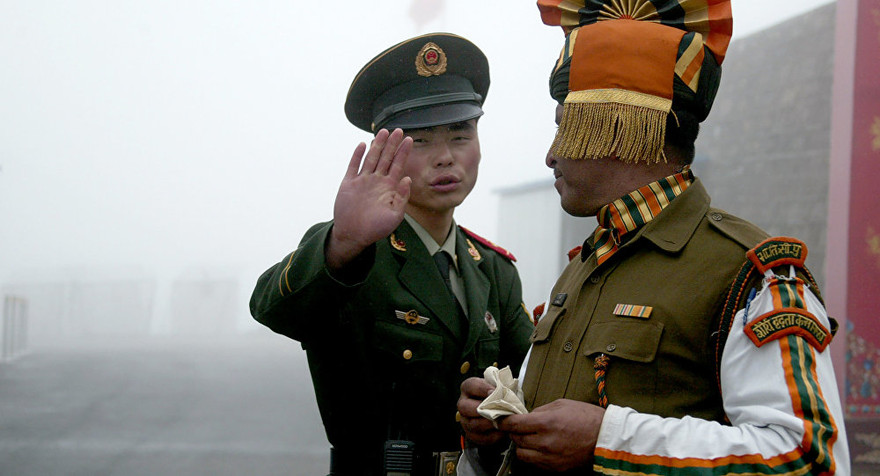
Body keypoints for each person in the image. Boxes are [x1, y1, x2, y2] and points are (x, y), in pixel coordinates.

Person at [457, 1, 850, 474]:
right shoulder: (583, 266)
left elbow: (809, 458)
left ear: (617, 123)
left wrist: (610, 438)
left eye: (563, 126)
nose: (549, 155)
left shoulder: (749, 272)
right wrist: (498, 429)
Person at [249, 32, 534, 476]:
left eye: (461, 135)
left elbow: (531, 384)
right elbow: (272, 308)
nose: (445, 158)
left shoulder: (494, 269)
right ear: (386, 152)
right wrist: (343, 241)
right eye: (419, 141)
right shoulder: (352, 253)